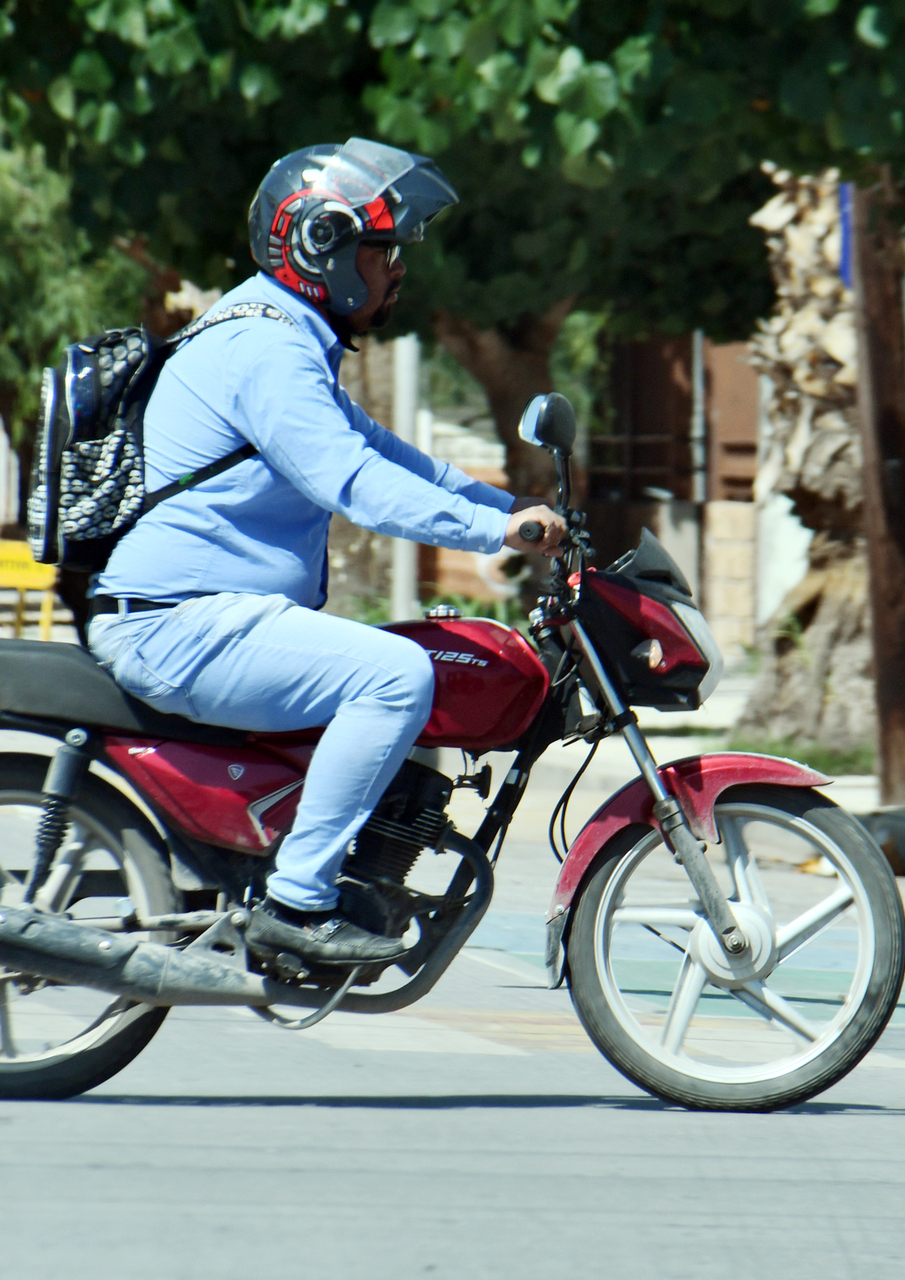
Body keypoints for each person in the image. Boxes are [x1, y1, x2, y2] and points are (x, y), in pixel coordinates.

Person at [87, 139, 566, 965]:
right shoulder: (268, 347)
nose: (396, 271)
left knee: (403, 666)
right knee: (395, 675)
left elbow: (391, 455)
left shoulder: (285, 336)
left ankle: (319, 870)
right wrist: (494, 534)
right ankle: (297, 902)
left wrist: (514, 506)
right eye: (383, 251)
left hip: (208, 616)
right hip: (179, 625)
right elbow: (354, 483)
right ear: (323, 246)